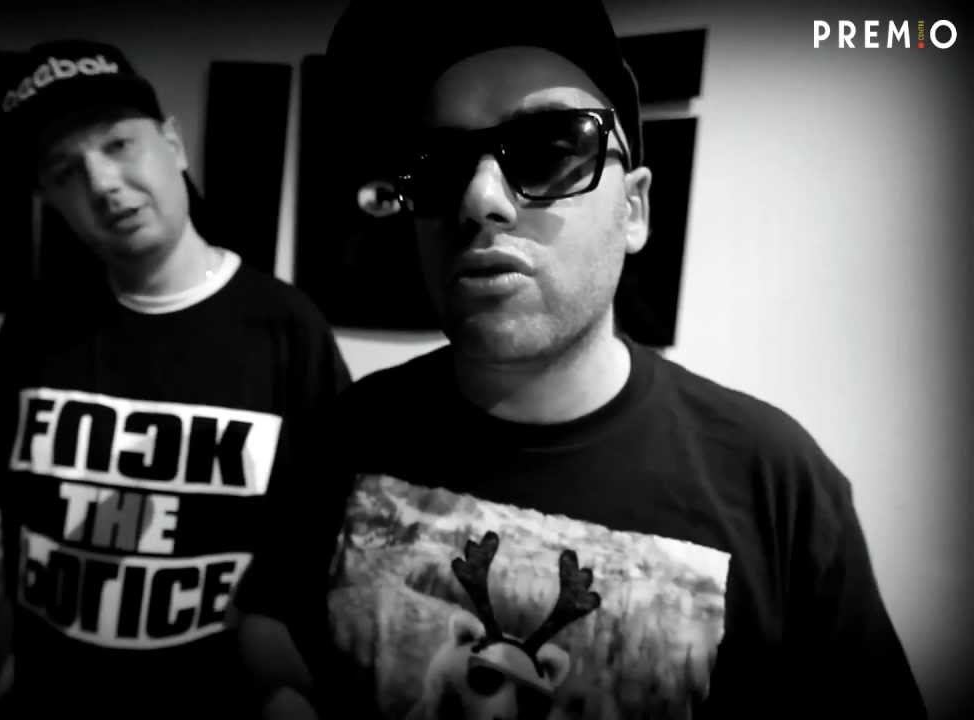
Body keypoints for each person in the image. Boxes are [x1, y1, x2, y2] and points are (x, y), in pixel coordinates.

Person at [234, 1, 927, 718]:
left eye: (547, 150)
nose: (480, 198)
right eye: (441, 166)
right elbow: (269, 621)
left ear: (634, 210)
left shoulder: (775, 485)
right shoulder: (344, 431)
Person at [0, 38, 350, 718]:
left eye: (118, 144)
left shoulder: (288, 329)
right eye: (66, 170)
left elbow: (326, 558)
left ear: (173, 145)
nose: (103, 183)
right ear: (49, 198)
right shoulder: (35, 326)